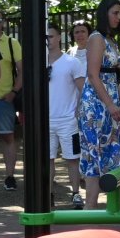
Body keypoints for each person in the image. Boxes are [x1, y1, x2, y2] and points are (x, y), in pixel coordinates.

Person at [75, 0, 120, 208]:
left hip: (109, 100)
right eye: (115, 13)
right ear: (104, 13)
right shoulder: (96, 38)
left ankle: (115, 204)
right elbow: (93, 75)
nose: (119, 17)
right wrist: (111, 105)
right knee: (95, 153)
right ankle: (90, 207)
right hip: (96, 104)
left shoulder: (109, 39)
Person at [44, 23, 87, 205]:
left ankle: (76, 193)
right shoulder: (40, 62)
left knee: (72, 158)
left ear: (59, 37)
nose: (48, 41)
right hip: (45, 120)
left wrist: (78, 110)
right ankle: (48, 194)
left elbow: (82, 90)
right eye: (45, 38)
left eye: (51, 36)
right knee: (48, 159)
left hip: (68, 120)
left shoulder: (72, 62)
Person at [0, 6, 23, 190]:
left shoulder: (12, 43)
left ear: (3, 22)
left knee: (8, 137)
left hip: (3, 98)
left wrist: (14, 92)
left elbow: (21, 71)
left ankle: (10, 176)